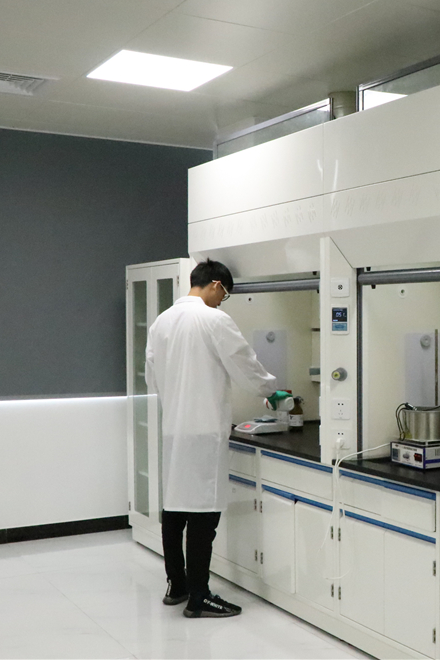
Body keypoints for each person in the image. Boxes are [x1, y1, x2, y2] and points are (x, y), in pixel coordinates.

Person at [145, 258, 285, 618]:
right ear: (217, 285)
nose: (223, 301)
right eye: (225, 294)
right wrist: (271, 390)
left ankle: (177, 585)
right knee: (203, 516)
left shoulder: (161, 322)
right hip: (204, 430)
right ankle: (199, 596)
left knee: (175, 509)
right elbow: (243, 363)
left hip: (174, 427)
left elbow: (152, 377)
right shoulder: (213, 319)